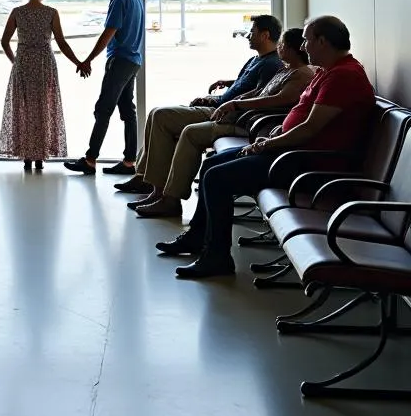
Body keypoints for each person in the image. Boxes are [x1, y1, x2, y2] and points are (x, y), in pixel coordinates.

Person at [159, 16, 375, 279]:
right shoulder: (327, 71)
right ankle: (197, 239)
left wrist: (268, 144)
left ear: (322, 41)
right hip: (292, 154)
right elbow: (302, 117)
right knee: (210, 165)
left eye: (307, 40)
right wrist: (278, 131)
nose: (303, 47)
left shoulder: (343, 76)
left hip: (307, 165)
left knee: (217, 178)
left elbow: (309, 129)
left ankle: (217, 257)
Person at [133, 27, 315, 218]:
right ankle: (159, 191)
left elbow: (280, 99)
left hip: (250, 124)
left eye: (282, 45)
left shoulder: (301, 74)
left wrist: (236, 104)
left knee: (189, 132)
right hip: (242, 117)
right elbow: (258, 92)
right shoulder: (286, 70)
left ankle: (170, 199)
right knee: (165, 118)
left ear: (292, 49)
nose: (279, 48)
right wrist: (233, 101)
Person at [118, 14, 286, 202]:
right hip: (219, 105)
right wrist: (219, 91)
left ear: (265, 35)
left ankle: (156, 188)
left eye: (252, 32)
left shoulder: (272, 64)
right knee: (157, 114)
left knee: (161, 116)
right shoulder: (256, 60)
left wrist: (222, 103)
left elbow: (258, 97)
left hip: (226, 114)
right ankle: (146, 178)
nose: (248, 35)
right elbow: (245, 85)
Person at [64, 0, 145, 175]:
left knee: (104, 109)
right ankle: (129, 161)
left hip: (120, 61)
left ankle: (90, 160)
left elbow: (109, 33)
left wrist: (88, 59)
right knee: (128, 111)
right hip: (133, 61)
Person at [0, 0, 84, 172]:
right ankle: (40, 157)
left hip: (24, 64)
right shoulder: (51, 13)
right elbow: (61, 43)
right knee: (43, 108)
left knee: (25, 109)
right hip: (45, 64)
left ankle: (27, 156)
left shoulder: (17, 12)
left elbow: (4, 41)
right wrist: (78, 62)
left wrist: (15, 61)